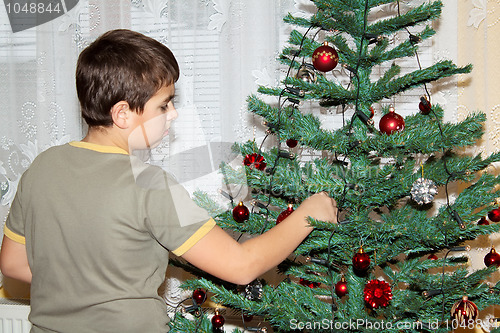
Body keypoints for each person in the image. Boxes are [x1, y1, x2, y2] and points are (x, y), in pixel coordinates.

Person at [0, 29, 337, 332]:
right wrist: (310, 213)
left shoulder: (42, 168)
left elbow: (13, 263)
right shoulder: (149, 183)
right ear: (122, 114)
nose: (173, 114)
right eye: (163, 105)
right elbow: (241, 266)